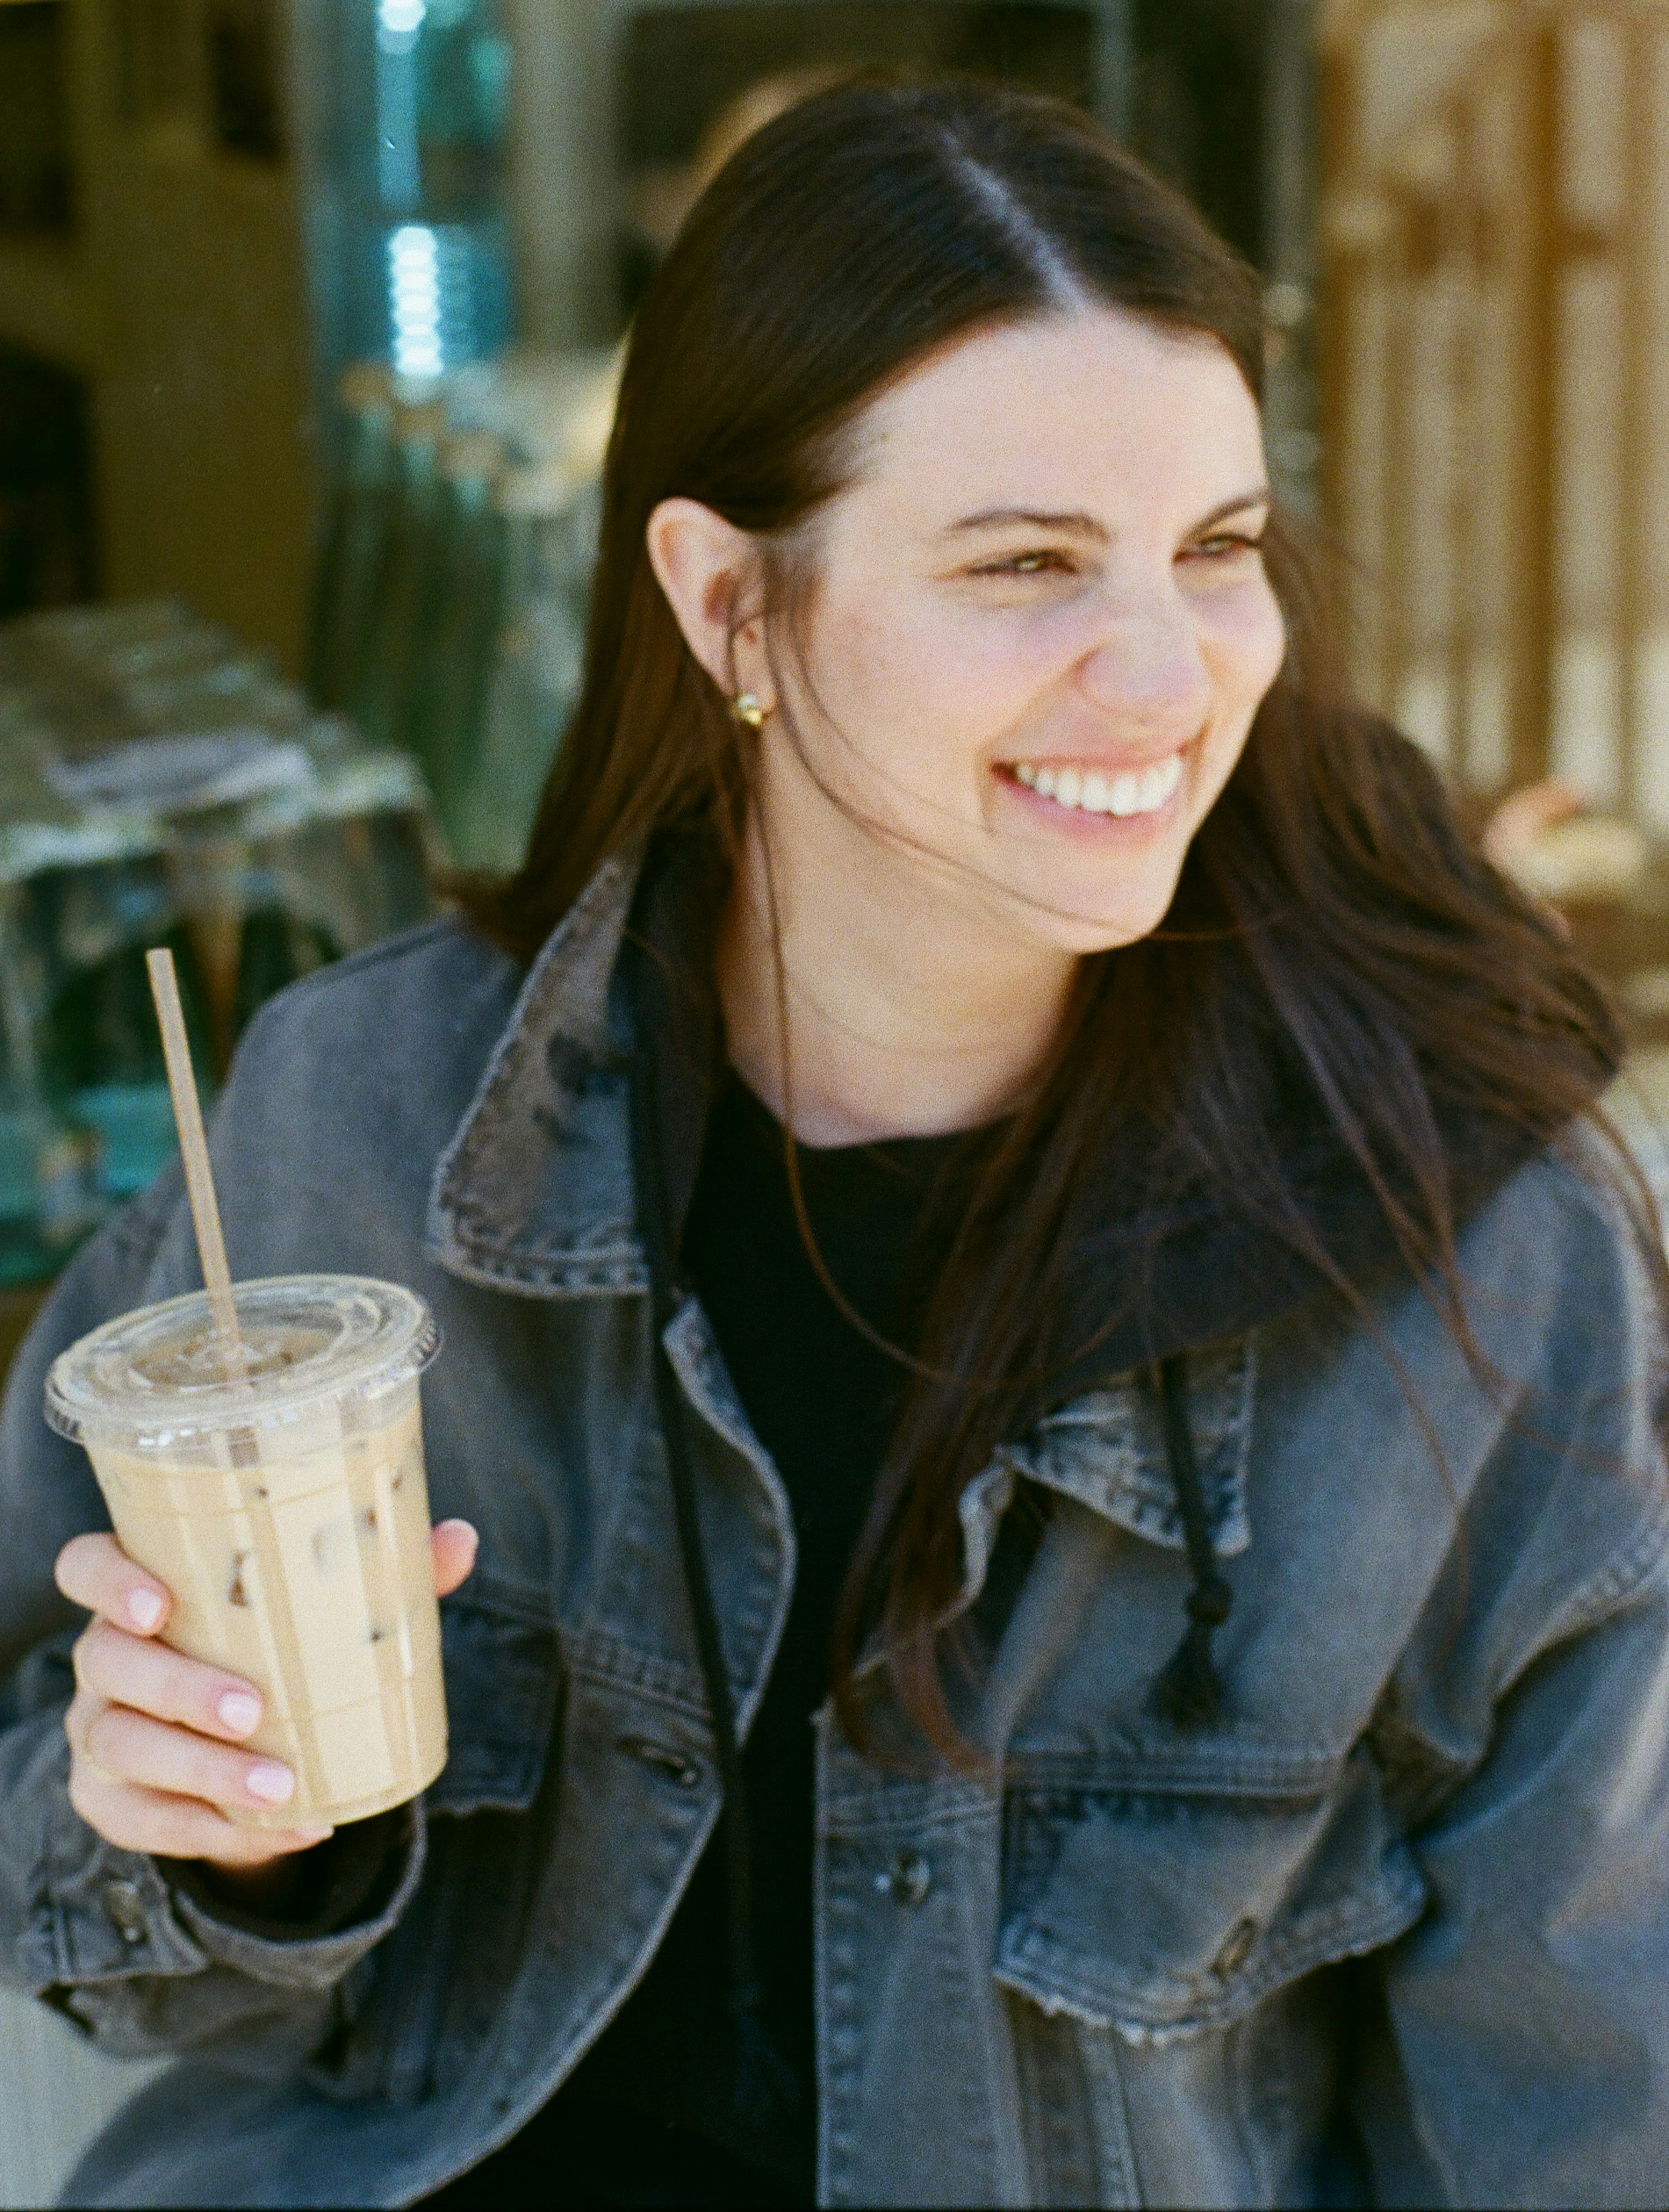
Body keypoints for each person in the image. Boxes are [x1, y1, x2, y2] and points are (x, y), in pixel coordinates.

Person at [2, 75, 1667, 2210]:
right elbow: (116, 1941)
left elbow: (1582, 2121)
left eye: (1218, 550)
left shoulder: (1481, 1261)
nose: (1166, 673)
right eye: (1026, 563)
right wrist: (216, 1835)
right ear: (726, 610)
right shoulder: (358, 1135)